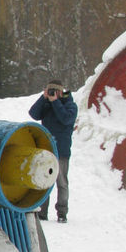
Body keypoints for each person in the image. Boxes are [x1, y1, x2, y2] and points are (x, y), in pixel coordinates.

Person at [29, 78, 78, 223]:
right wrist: (43, 98)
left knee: (61, 183)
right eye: (50, 90)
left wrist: (56, 102)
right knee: (45, 181)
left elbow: (65, 119)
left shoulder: (70, 105)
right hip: (46, 149)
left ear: (60, 92)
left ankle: (62, 213)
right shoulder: (47, 104)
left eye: (54, 91)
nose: (52, 94)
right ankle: (42, 212)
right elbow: (33, 114)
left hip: (61, 150)